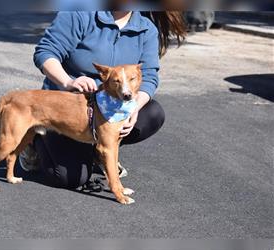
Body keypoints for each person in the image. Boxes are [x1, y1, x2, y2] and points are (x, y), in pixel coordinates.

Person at [19, 11, 186, 189]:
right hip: (68, 109)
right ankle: (34, 139)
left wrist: (134, 108)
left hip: (110, 107)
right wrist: (68, 81)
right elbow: (46, 52)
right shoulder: (79, 13)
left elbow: (150, 76)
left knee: (153, 113)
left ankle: (101, 150)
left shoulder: (146, 29)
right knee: (69, 178)